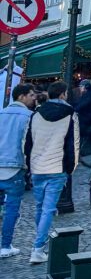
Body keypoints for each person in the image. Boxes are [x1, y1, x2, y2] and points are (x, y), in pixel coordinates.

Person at [24, 80, 80, 264]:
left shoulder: (36, 114)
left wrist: (28, 163)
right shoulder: (70, 114)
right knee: (48, 209)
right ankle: (38, 247)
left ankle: (41, 242)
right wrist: (71, 167)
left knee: (41, 207)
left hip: (37, 167)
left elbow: (27, 142)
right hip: (57, 167)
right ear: (63, 94)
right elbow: (73, 143)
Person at [0, 83, 37, 258]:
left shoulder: (1, 113)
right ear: (21, 96)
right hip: (15, 166)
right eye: (31, 95)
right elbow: (29, 143)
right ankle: (5, 245)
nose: (34, 98)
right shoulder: (30, 116)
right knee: (12, 208)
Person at [74, 79, 91, 146]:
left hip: (87, 119)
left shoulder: (90, 95)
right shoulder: (86, 94)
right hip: (85, 118)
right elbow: (78, 103)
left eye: (81, 86)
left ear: (86, 87)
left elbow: (82, 105)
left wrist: (74, 109)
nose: (80, 88)